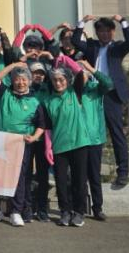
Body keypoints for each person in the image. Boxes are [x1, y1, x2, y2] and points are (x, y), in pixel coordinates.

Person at [71, 14, 129, 188]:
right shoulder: (92, 46)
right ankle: (90, 173)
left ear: (113, 32)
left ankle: (123, 172)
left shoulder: (118, 47)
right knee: (90, 132)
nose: (104, 34)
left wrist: (122, 21)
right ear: (97, 33)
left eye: (108, 31)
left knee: (116, 133)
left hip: (111, 94)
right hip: (92, 93)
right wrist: (83, 22)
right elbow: (75, 41)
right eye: (101, 31)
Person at [0, 64, 46, 227]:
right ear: (12, 81)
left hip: (21, 145)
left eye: (24, 79)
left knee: (19, 177)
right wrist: (14, 65)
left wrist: (34, 137)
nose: (21, 83)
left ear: (30, 81)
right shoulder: (5, 93)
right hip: (0, 141)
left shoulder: (35, 101)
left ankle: (16, 211)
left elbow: (41, 124)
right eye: (17, 79)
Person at [43, 65, 89, 227]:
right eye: (55, 80)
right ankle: (65, 211)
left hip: (79, 143)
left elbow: (80, 73)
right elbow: (47, 127)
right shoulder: (48, 101)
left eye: (61, 79)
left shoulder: (74, 92)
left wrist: (65, 59)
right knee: (61, 181)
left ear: (67, 80)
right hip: (59, 145)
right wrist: (47, 147)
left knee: (79, 180)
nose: (58, 83)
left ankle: (79, 212)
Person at [78, 59, 115, 221]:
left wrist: (91, 69)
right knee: (79, 177)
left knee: (94, 175)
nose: (81, 76)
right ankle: (79, 209)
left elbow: (108, 83)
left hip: (94, 140)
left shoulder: (95, 89)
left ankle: (97, 208)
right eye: (78, 74)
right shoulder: (71, 90)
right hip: (77, 140)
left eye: (83, 74)